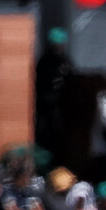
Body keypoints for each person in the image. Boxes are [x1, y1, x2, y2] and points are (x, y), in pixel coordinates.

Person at [34, 27, 73, 157]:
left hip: (62, 105)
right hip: (46, 105)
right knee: (46, 134)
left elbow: (70, 79)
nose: (59, 47)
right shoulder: (45, 61)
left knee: (60, 134)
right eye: (56, 44)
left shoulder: (65, 60)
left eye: (60, 44)